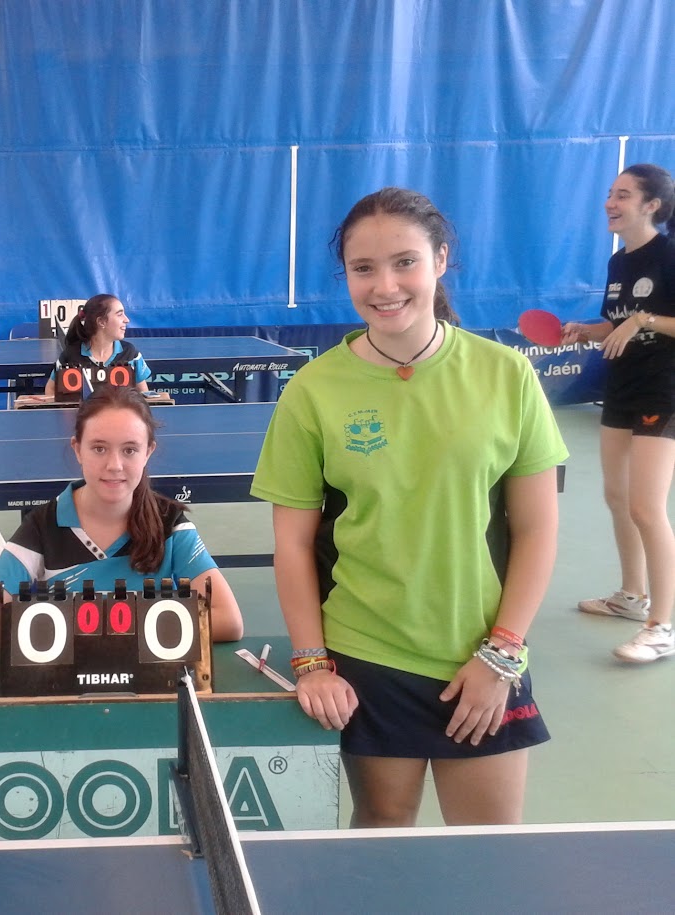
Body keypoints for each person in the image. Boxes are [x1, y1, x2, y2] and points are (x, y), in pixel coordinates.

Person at [251, 188, 567, 827]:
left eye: (405, 262)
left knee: (488, 854)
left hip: (482, 657)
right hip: (366, 656)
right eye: (363, 268)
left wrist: (501, 654)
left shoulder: (507, 374)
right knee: (383, 842)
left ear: (440, 260)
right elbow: (292, 545)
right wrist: (311, 664)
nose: (385, 286)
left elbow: (537, 529)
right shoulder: (312, 390)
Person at [0, 384, 243, 646]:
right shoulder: (43, 526)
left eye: (129, 450)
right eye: (99, 448)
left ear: (148, 452)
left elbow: (228, 619)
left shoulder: (170, 524)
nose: (114, 465)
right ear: (77, 449)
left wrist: (96, 628)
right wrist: (105, 629)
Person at [561, 164, 675, 663]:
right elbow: (616, 325)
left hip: (663, 392)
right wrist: (586, 331)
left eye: (623, 195)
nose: (610, 202)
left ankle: (662, 626)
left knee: (647, 507)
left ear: (651, 205)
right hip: (622, 389)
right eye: (610, 193)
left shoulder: (669, 255)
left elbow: (641, 321)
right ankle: (632, 596)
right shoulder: (618, 263)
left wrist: (643, 320)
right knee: (617, 497)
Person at [42, 294, 152, 397]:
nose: (127, 320)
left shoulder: (130, 353)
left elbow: (143, 393)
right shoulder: (70, 354)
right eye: (119, 314)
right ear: (101, 322)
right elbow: (50, 389)